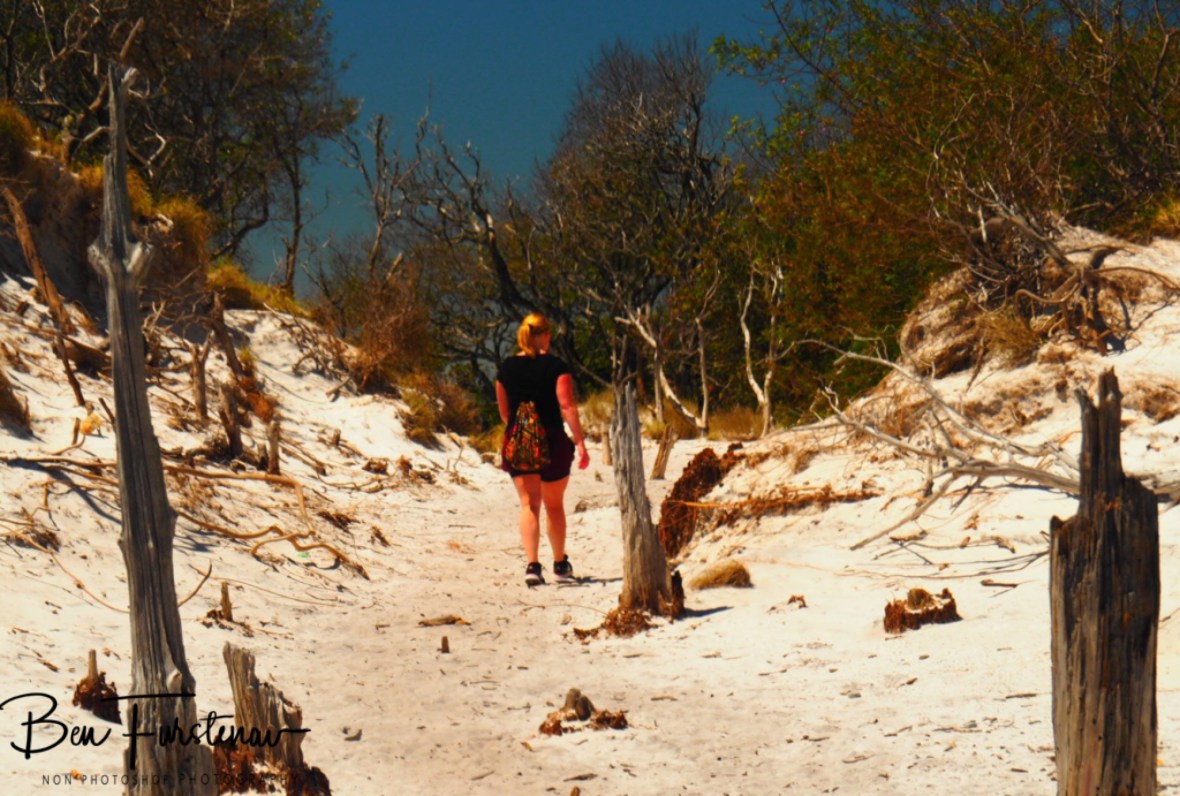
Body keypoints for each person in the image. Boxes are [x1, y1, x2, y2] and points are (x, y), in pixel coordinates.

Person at [496, 313, 590, 586]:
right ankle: (560, 564)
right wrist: (580, 442)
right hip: (553, 441)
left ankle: (533, 566)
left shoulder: (506, 368)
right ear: (544, 335)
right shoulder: (556, 366)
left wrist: (523, 431)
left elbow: (504, 413)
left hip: (520, 441)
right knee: (554, 505)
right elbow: (567, 406)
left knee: (529, 504)